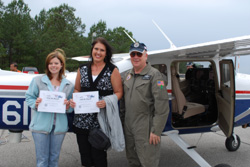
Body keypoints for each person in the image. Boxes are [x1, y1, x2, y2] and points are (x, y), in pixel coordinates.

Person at [70, 37, 123, 167]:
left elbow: (119, 93)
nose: (98, 52)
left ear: (106, 53)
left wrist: (107, 102)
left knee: (99, 157)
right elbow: (77, 89)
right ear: (92, 50)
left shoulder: (112, 70)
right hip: (82, 121)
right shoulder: (82, 68)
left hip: (100, 122)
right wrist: (75, 99)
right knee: (85, 158)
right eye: (96, 49)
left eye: (102, 50)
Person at [122, 42, 169, 167]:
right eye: (133, 54)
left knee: (148, 161)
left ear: (145, 56)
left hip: (145, 126)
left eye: (139, 54)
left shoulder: (155, 75)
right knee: (132, 159)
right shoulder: (127, 75)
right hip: (128, 125)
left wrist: (156, 130)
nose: (136, 57)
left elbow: (162, 106)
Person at [25, 48, 74, 167]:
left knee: (54, 159)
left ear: (61, 65)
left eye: (56, 63)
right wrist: (35, 103)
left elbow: (70, 108)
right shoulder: (37, 80)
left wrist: (69, 105)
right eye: (50, 63)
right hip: (40, 126)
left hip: (59, 127)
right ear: (47, 65)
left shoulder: (68, 85)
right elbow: (29, 97)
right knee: (42, 160)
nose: (53, 66)